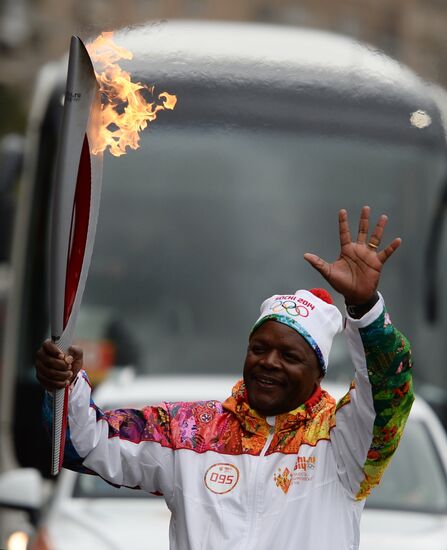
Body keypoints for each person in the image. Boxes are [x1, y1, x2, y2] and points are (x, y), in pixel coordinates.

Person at [35, 206, 414, 550]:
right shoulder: (187, 432)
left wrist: (365, 309)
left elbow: (386, 394)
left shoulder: (341, 444)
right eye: (259, 348)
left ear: (318, 372)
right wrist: (63, 384)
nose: (269, 362)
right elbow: (85, 444)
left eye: (289, 356)